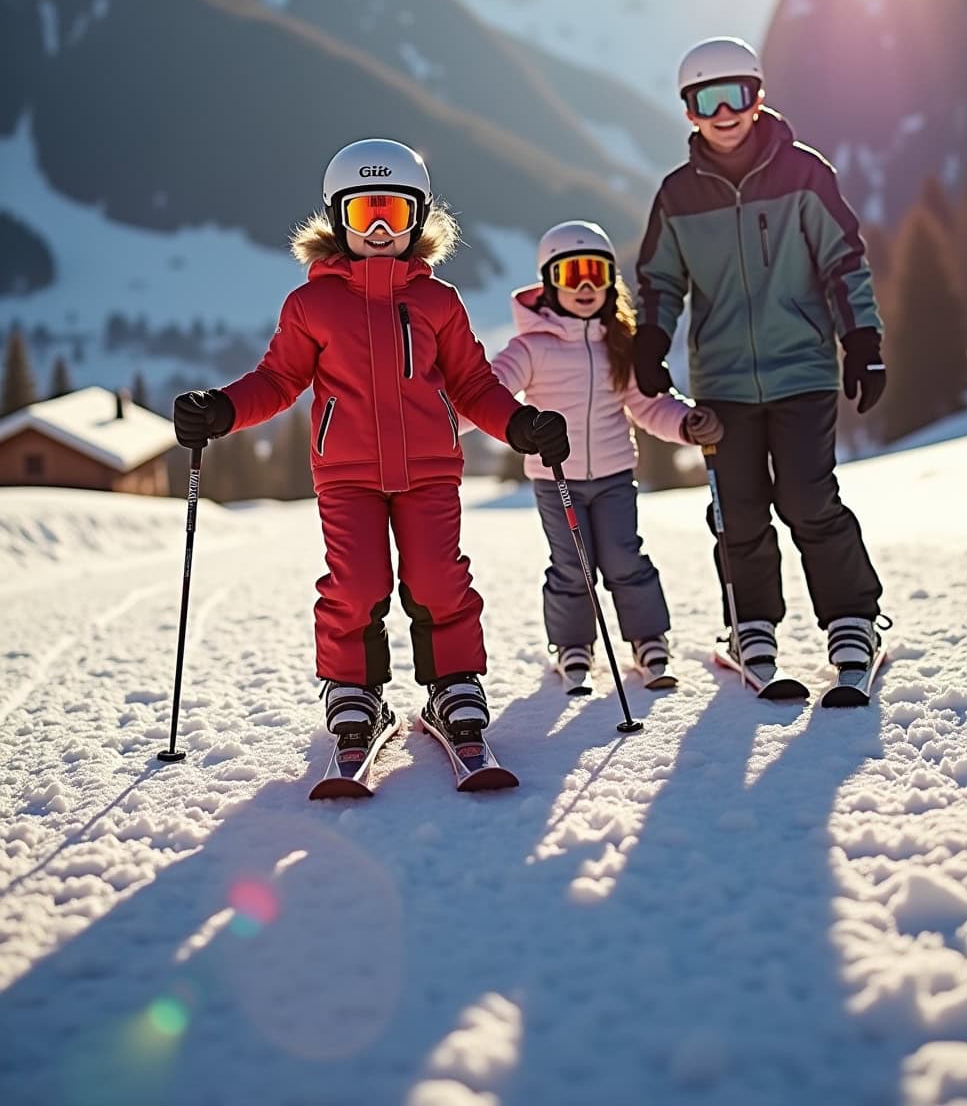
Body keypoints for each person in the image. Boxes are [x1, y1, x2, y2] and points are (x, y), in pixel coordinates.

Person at [173, 139, 569, 758]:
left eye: (395, 212)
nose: (380, 229)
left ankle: (451, 683)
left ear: (420, 218)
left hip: (429, 468)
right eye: (363, 215)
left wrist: (519, 426)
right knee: (355, 583)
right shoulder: (312, 305)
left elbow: (471, 384)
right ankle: (354, 689)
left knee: (439, 578)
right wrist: (222, 408)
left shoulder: (439, 301)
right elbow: (279, 379)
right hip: (348, 472)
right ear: (337, 220)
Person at [634, 37, 887, 685]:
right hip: (723, 383)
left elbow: (844, 262)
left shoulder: (806, 174)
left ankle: (852, 619)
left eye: (736, 96)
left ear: (758, 97)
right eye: (706, 100)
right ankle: (752, 625)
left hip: (802, 368)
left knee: (808, 498)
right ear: (688, 111)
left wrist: (863, 340)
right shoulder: (678, 195)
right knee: (737, 509)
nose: (724, 113)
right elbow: (661, 281)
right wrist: (652, 342)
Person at [482, 220, 722, 695]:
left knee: (623, 557)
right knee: (572, 565)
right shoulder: (530, 348)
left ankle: (649, 641)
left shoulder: (620, 343)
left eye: (597, 272)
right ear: (551, 282)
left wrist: (685, 422)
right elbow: (486, 393)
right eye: (574, 275)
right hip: (556, 479)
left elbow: (647, 405)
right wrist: (441, 416)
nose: (587, 286)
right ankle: (573, 646)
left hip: (614, 474)